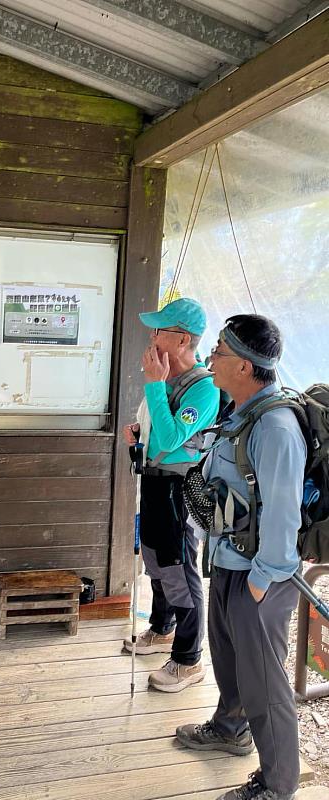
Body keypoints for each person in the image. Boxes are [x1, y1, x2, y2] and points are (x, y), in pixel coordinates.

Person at [176, 315, 304, 800]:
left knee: (266, 683)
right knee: (228, 658)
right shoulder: (240, 412)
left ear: (247, 367)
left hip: (261, 575)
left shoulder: (275, 425)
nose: (211, 361)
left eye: (220, 355)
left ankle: (278, 785)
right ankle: (230, 726)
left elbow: (285, 509)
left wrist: (265, 577)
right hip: (230, 561)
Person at [122, 297, 220, 691]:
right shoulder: (165, 379)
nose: (153, 335)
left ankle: (188, 658)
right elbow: (156, 433)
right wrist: (138, 436)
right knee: (154, 558)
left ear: (182, 340)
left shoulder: (205, 388)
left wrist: (153, 385)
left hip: (178, 489)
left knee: (179, 569)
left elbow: (173, 436)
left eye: (160, 329)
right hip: (154, 480)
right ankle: (161, 628)